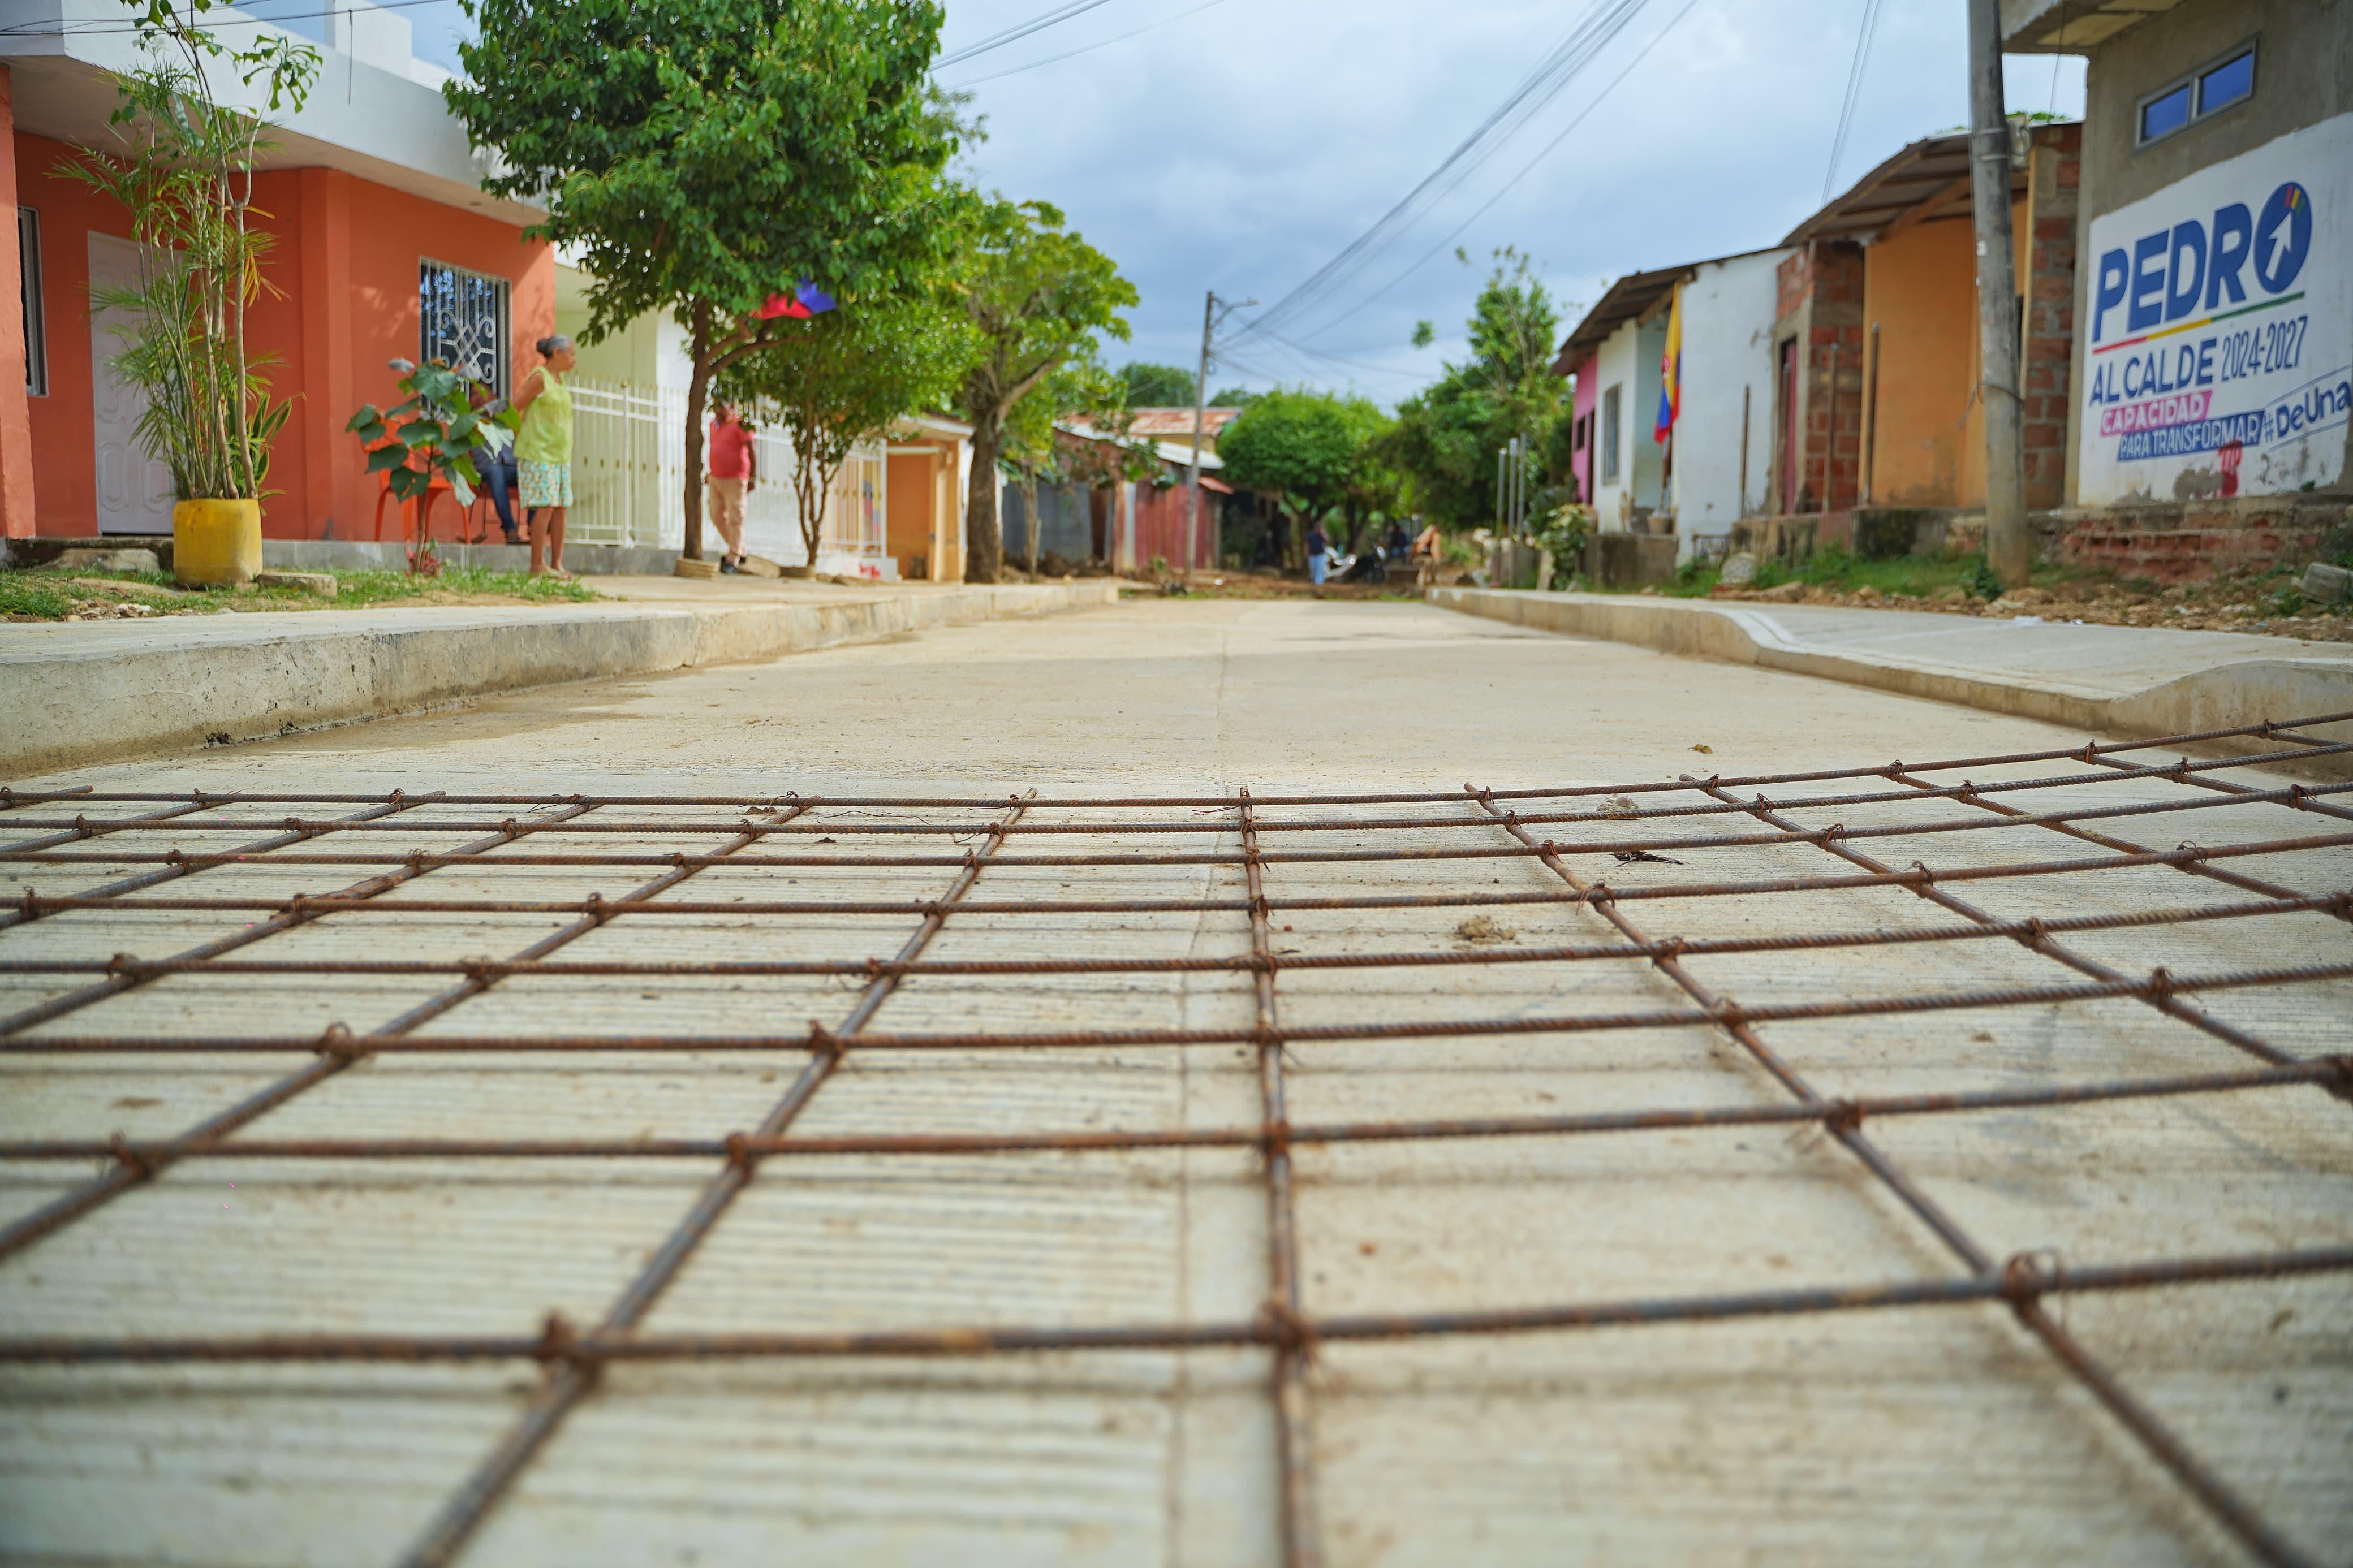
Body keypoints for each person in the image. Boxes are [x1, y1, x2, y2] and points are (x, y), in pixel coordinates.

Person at [513, 334, 576, 578]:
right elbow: (515, 406)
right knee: (546, 507)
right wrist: (521, 434)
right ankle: (537, 566)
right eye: (571, 354)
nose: (574, 360)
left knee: (561, 507)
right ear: (557, 354)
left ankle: (557, 564)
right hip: (538, 453)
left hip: (561, 456)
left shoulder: (559, 382)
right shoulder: (540, 378)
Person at [466, 379, 521, 545]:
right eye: (474, 394)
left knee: (533, 472)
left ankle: (534, 524)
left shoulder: (506, 420)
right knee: (496, 472)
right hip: (486, 470)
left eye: (483, 392)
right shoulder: (469, 422)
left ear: (493, 396)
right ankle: (510, 529)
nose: (479, 397)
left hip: (511, 467)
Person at [706, 401, 756, 573]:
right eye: (716, 406)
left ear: (731, 407)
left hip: (736, 478)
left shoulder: (740, 424)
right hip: (716, 478)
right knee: (715, 515)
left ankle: (733, 557)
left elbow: (751, 450)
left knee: (736, 518)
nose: (719, 410)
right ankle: (740, 549)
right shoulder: (713, 425)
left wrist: (753, 476)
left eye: (723, 406)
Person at [1305, 519, 1329, 586]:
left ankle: (1319, 583)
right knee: (1313, 569)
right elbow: (1307, 544)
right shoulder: (1311, 535)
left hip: (1321, 554)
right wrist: (1306, 553)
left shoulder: (1323, 535)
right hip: (1312, 554)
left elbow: (1327, 540)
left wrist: (1322, 533)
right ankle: (1313, 582)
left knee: (1320, 568)